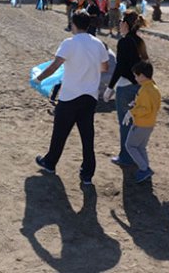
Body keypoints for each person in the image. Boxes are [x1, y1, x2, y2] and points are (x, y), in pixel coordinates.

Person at [34, 13, 110, 185]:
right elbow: (105, 67)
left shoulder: (69, 43)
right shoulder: (98, 43)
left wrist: (39, 79)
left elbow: (54, 66)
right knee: (87, 136)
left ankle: (50, 163)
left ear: (73, 24)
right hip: (90, 96)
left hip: (69, 96)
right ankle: (87, 175)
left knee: (60, 133)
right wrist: (89, 69)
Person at [103, 11, 149, 166]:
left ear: (126, 24)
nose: (119, 24)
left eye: (121, 21)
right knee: (136, 122)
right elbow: (146, 64)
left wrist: (110, 88)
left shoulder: (124, 42)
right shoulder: (139, 41)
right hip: (139, 86)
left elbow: (120, 67)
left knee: (125, 123)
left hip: (125, 87)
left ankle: (126, 157)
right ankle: (136, 154)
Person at [122, 61, 161, 183]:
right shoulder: (153, 87)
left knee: (130, 145)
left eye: (136, 75)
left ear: (142, 76)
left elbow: (145, 108)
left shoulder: (145, 90)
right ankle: (145, 168)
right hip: (150, 123)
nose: (135, 78)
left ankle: (144, 169)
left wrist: (132, 112)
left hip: (141, 124)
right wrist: (136, 103)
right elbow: (150, 104)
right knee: (141, 147)